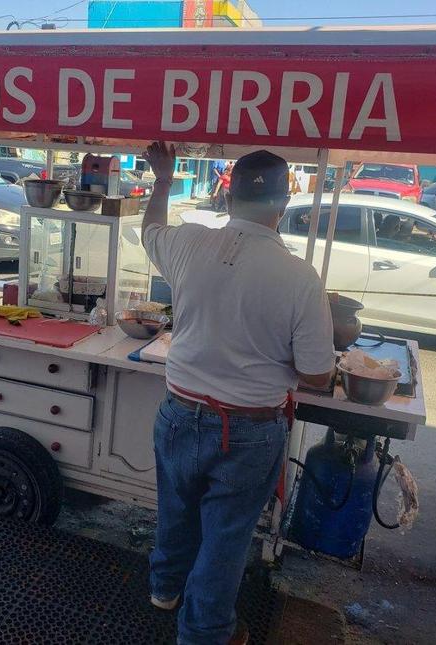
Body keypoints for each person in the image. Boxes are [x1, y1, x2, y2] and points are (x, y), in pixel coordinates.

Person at [141, 142, 336, 645]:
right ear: (283, 204)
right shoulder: (300, 277)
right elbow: (317, 374)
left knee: (176, 512)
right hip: (247, 432)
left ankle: (164, 591)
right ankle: (204, 634)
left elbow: (149, 231)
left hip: (178, 414)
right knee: (224, 539)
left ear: (227, 200)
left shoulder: (188, 244)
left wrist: (163, 180)